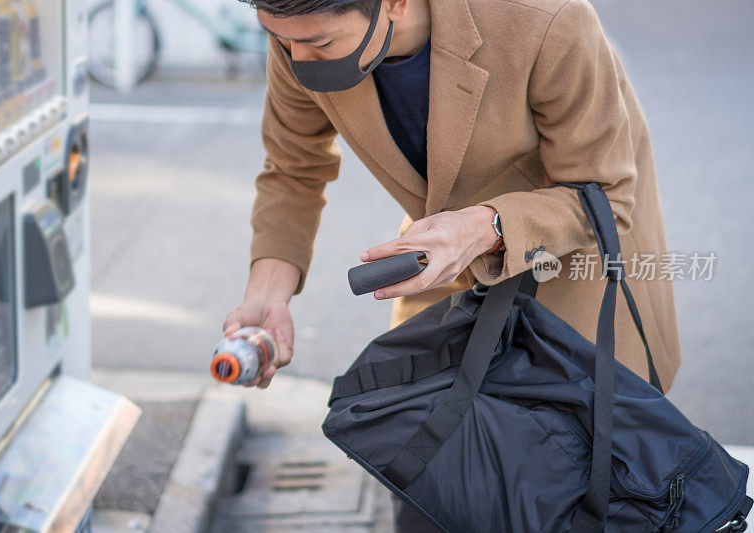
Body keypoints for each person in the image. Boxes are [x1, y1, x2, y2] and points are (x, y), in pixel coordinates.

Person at [222, 0, 683, 529]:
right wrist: (267, 293)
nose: (297, 61)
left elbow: (604, 193)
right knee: (431, 477)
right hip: (446, 264)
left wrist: (482, 227)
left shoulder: (547, 18)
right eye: (279, 39)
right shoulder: (299, 33)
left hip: (572, 259)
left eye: (321, 44)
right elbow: (293, 169)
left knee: (569, 481)